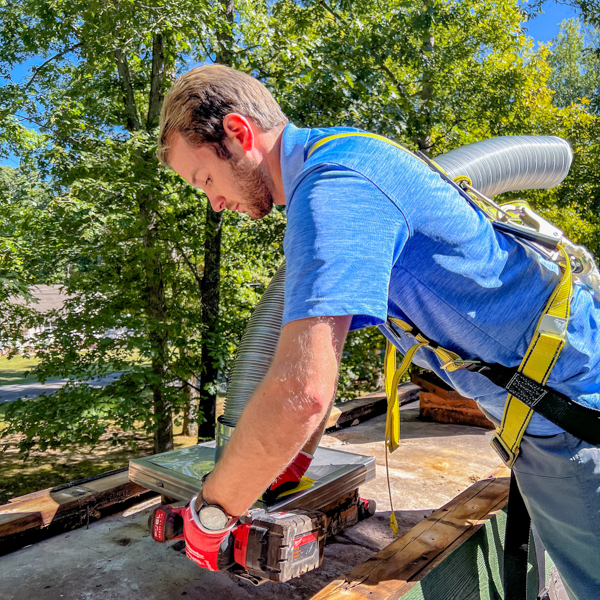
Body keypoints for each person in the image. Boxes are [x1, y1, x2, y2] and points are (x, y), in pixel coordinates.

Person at [156, 64, 600, 600]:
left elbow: (301, 392)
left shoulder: (333, 191)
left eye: (205, 179)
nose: (215, 202)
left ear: (238, 132)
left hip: (572, 417)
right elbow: (319, 369)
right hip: (565, 400)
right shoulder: (344, 158)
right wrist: (292, 458)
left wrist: (212, 513)